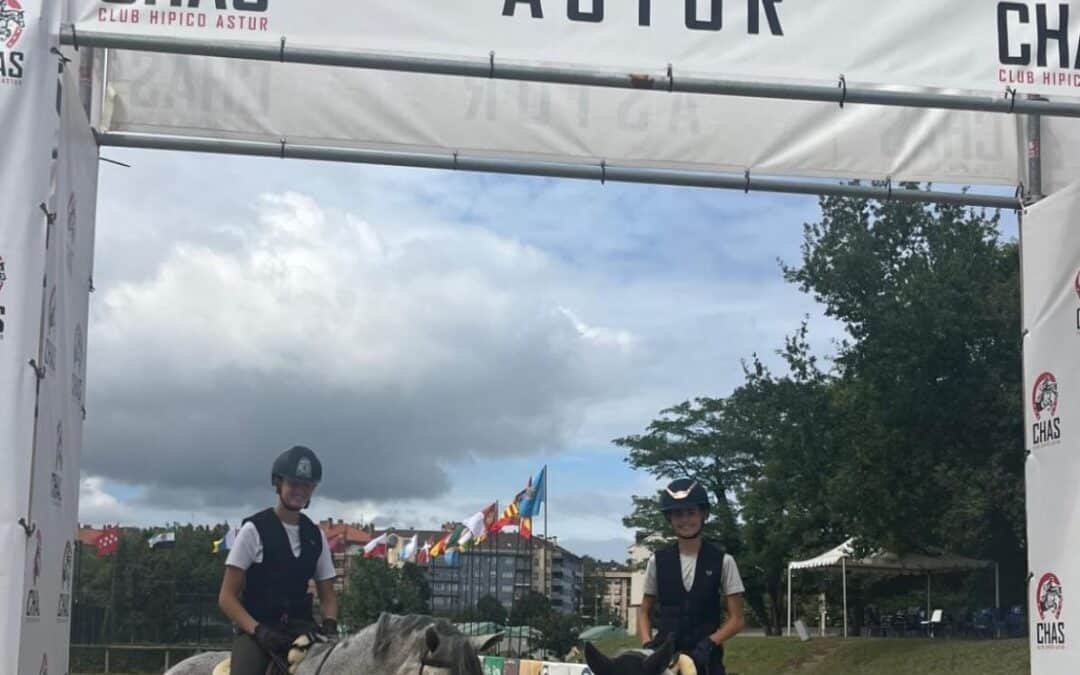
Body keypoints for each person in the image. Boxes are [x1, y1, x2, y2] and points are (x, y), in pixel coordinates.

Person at [218, 445, 339, 674]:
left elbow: (328, 595)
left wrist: (330, 623)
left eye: (306, 486)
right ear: (278, 483)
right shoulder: (253, 530)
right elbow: (226, 598)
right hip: (257, 633)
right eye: (294, 483)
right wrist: (259, 631)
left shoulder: (316, 536)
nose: (300, 491)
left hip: (302, 631)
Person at [637, 478, 745, 675]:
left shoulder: (724, 561)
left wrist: (711, 642)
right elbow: (644, 612)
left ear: (703, 514)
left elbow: (737, 619)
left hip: (706, 660)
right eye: (678, 514)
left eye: (691, 512)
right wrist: (648, 645)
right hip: (665, 661)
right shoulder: (657, 561)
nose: (685, 520)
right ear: (670, 518)